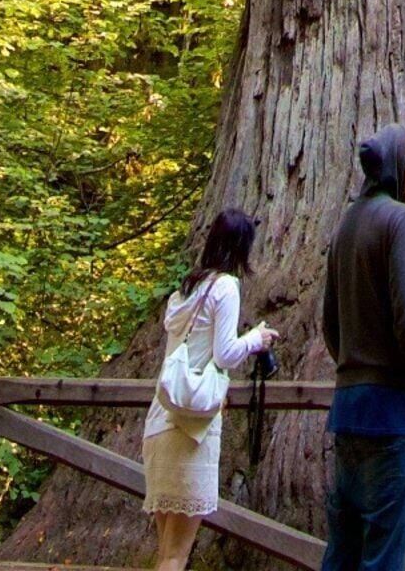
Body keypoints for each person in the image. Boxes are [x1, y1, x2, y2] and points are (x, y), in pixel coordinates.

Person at [322, 128, 405, 571]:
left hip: (347, 411)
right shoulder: (397, 220)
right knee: (385, 556)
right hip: (388, 414)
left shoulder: (346, 223)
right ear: (399, 165)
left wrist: (352, 368)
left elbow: (329, 323)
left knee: (343, 553)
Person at [142, 209, 279, 571]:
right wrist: (257, 338)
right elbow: (225, 353)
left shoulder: (186, 289)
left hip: (160, 422)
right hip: (192, 430)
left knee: (166, 550)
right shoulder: (225, 287)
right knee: (176, 554)